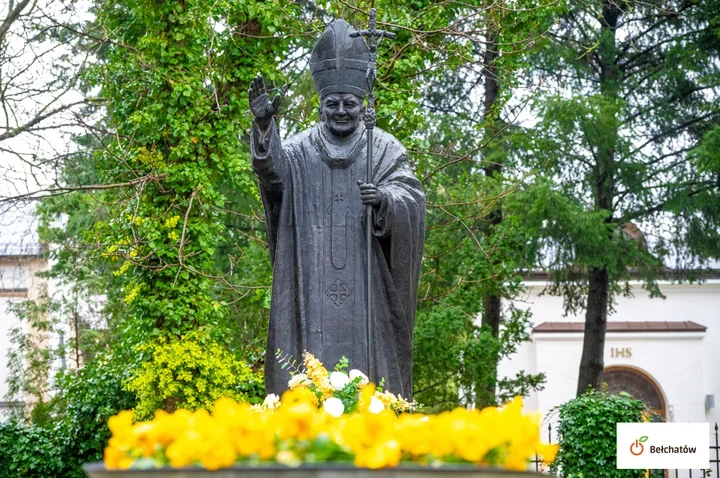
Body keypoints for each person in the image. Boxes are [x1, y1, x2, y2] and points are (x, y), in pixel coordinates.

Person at [248, 19, 425, 398]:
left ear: (362, 104)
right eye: (333, 104)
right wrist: (264, 126)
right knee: (308, 362)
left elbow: (410, 197)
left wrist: (385, 201)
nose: (341, 111)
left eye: (350, 104)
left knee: (370, 377)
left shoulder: (384, 149)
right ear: (320, 105)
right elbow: (272, 174)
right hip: (309, 281)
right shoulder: (298, 150)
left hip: (368, 285)